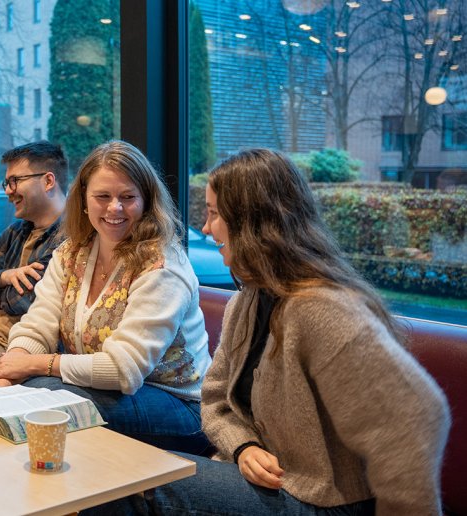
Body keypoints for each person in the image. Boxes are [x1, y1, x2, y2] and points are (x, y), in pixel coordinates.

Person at [146, 149, 450, 515]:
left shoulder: (322, 310)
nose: (206, 227)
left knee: (146, 486)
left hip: (327, 502)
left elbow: (417, 417)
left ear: (251, 221)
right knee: (141, 477)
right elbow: (214, 400)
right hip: (273, 484)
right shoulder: (247, 301)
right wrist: (244, 447)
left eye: (213, 214)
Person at [0, 140, 211, 454]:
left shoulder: (163, 265)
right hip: (105, 390)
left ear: (147, 201)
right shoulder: (71, 252)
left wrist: (33, 366)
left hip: (180, 407)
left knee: (46, 394)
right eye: (102, 197)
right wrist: (7, 376)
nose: (114, 208)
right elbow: (37, 325)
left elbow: (124, 369)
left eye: (128, 197)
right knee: (35, 394)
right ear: (83, 200)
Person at [0, 141, 68, 382]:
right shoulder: (17, 231)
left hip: (16, 349)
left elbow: (23, 301)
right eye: (7, 183)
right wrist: (6, 276)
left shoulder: (69, 238)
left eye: (15, 181)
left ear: (48, 181)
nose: (8, 190)